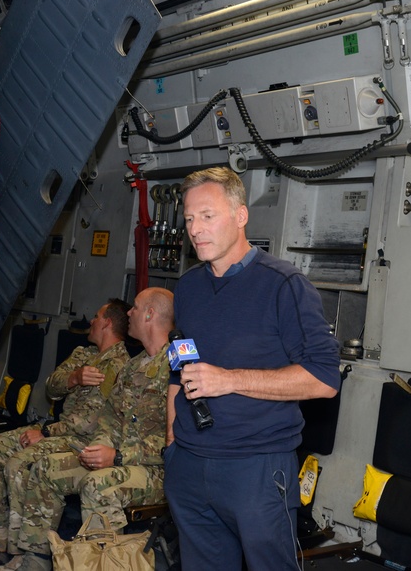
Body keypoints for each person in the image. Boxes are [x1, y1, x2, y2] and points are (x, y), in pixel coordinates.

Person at [165, 167, 341, 571]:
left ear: (241, 215)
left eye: (207, 216)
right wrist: (172, 444)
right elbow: (179, 370)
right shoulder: (189, 287)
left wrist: (228, 380)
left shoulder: (284, 285)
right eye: (190, 219)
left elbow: (324, 379)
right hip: (189, 464)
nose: (196, 229)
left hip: (256, 468)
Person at [9, 287, 174, 571]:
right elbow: (109, 418)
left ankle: (110, 564)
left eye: (134, 308)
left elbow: (177, 441)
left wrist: (118, 456)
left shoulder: (176, 367)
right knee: (46, 468)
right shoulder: (134, 366)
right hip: (118, 459)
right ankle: (35, 559)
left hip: (157, 470)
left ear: (149, 314)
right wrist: (99, 448)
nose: (129, 313)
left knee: (98, 486)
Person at [0, 300, 132, 558]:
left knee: (20, 463)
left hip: (80, 440)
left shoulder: (119, 366)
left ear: (107, 322)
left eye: (96, 316)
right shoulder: (82, 354)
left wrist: (46, 433)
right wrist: (74, 377)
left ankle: (20, 550)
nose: (91, 321)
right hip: (59, 430)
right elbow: (51, 387)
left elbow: (89, 422)